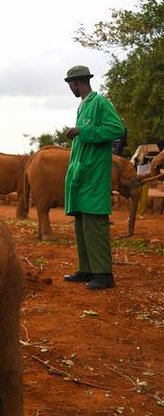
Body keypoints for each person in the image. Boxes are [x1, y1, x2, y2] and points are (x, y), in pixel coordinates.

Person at [62, 65, 126, 291]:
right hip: (82, 174)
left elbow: (117, 129)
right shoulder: (83, 105)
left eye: (71, 84)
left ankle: (104, 274)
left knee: (95, 222)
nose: (71, 88)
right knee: (82, 222)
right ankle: (87, 268)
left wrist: (83, 132)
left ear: (76, 83)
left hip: (95, 174)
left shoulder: (100, 102)